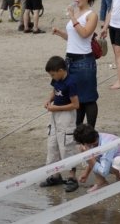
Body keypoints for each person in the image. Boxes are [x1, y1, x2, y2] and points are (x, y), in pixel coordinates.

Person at [52, 0, 99, 128]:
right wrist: (60, 33)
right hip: (70, 60)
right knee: (75, 96)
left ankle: (90, 129)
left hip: (84, 61)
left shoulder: (91, 15)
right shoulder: (77, 14)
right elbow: (74, 38)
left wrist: (72, 17)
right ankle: (78, 128)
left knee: (88, 98)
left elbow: (85, 34)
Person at [39, 56, 80, 193]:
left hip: (66, 117)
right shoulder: (56, 80)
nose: (53, 77)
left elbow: (75, 104)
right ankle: (55, 175)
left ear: (61, 70)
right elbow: (54, 91)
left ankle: (72, 178)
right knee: (53, 143)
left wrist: (56, 108)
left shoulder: (71, 82)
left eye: (53, 75)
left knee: (66, 145)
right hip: (55, 115)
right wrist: (49, 100)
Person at [73, 124, 120, 193]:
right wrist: (86, 174)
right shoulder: (94, 138)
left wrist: (88, 154)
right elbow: (94, 159)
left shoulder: (107, 143)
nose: (82, 145)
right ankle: (101, 182)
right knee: (91, 154)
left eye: (82, 143)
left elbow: (104, 172)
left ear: (86, 142)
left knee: (118, 161)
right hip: (111, 162)